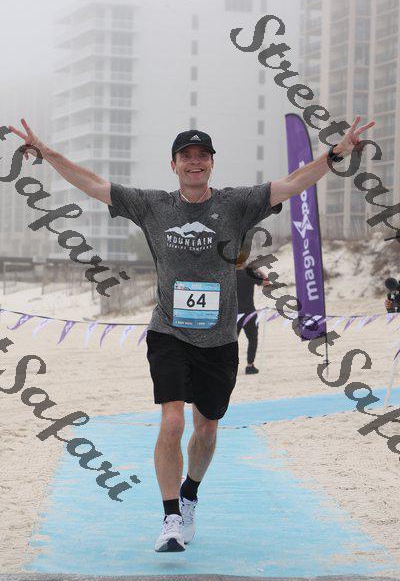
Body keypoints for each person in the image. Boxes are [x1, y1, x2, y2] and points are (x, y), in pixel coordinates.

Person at [9, 115, 375, 553]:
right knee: (172, 420)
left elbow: (294, 182)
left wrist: (334, 154)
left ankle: (189, 495)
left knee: (207, 428)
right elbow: (93, 184)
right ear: (174, 164)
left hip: (220, 340)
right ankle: (169, 518)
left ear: (212, 163)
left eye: (203, 156)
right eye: (187, 156)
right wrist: (47, 152)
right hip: (168, 331)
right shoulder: (153, 206)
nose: (195, 162)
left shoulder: (237, 203)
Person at [236, 250, 270, 374]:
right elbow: (267, 282)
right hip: (249, 312)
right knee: (252, 339)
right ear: (244, 262)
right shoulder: (249, 274)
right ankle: (250, 365)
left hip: (234, 314)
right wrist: (259, 270)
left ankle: (230, 365)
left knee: (232, 341)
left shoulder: (229, 275)